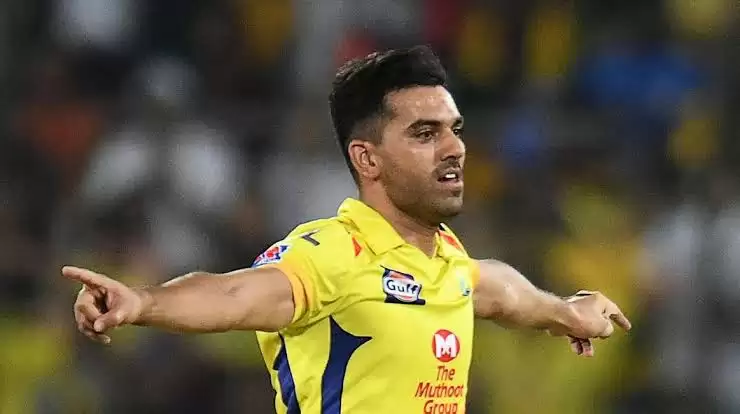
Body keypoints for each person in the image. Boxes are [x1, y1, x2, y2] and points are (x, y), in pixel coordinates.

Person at [64, 46, 631, 413]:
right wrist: (142, 302)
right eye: (425, 133)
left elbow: (497, 289)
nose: (455, 147)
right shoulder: (334, 252)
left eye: (454, 129)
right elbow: (236, 294)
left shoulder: (446, 260)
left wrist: (567, 312)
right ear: (367, 158)